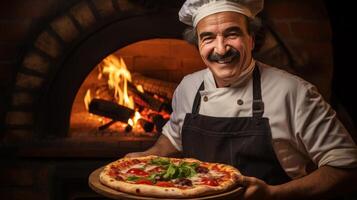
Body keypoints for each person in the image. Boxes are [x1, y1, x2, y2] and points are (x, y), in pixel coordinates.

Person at [126, 0, 357, 199]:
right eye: (208, 38)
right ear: (198, 44)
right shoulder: (188, 87)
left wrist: (274, 195)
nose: (221, 48)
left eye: (232, 34)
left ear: (252, 39)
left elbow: (347, 168)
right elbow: (173, 139)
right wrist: (147, 156)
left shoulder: (294, 92)